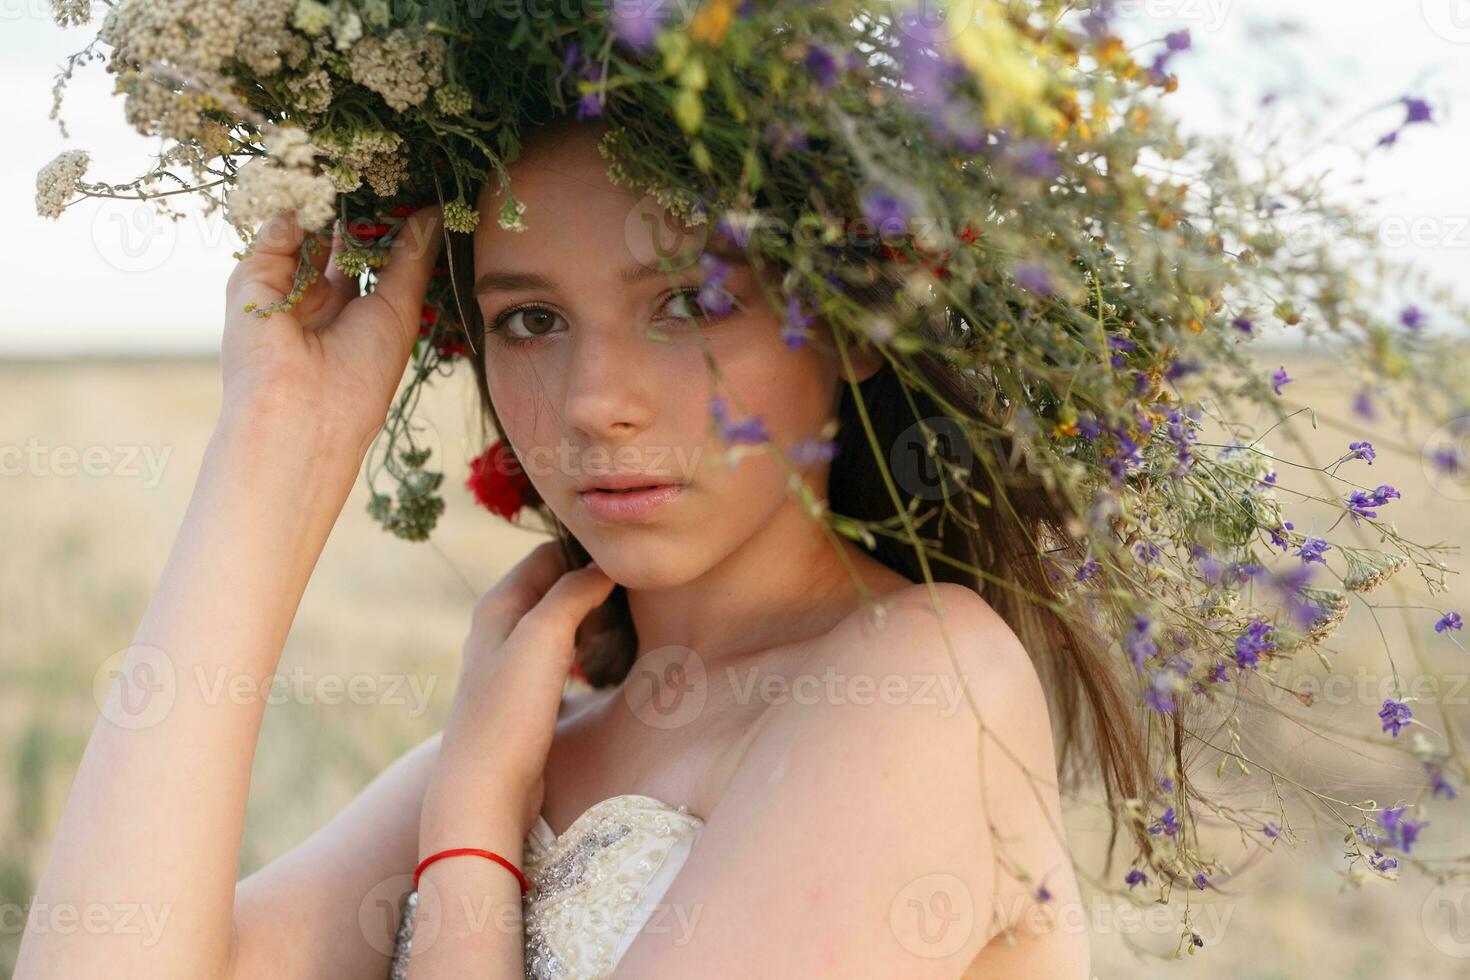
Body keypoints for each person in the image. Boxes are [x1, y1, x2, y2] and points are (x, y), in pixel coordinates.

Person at [18, 115, 1101, 979]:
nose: (594, 404)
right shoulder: (528, 736)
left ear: (854, 322)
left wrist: (475, 837)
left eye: (687, 301)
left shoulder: (922, 683)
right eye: (530, 321)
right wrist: (274, 451)